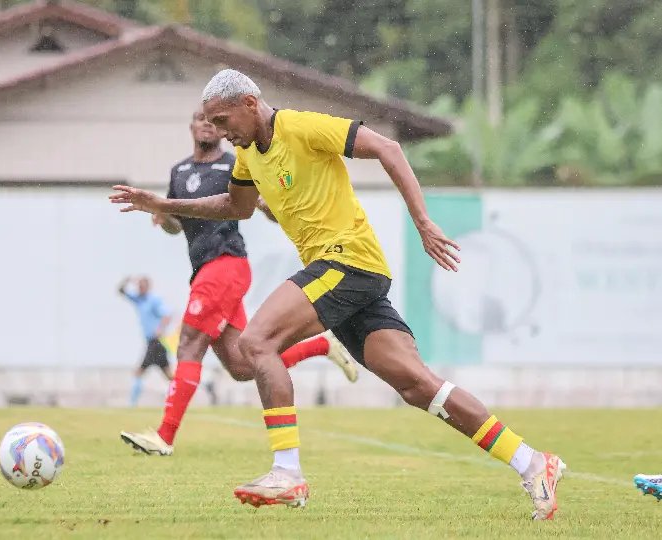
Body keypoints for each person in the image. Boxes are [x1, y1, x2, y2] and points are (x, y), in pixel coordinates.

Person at [109, 69, 567, 521]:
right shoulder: (248, 155)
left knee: (255, 342)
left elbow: (388, 148)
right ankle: (532, 463)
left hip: (347, 262)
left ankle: (287, 473)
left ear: (250, 104)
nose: (220, 133)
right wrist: (163, 204)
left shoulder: (303, 127)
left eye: (224, 121)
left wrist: (423, 220)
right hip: (350, 274)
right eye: (213, 123)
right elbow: (236, 207)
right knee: (418, 386)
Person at [118, 108, 358, 456]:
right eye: (200, 118)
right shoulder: (179, 171)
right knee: (243, 366)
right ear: (191, 126)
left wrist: (266, 203)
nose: (206, 124)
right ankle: (322, 346)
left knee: (188, 345)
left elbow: (267, 207)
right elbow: (174, 225)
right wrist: (161, 217)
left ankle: (164, 437)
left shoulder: (235, 164)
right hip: (204, 269)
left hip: (226, 264)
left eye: (212, 120)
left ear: (219, 128)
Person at [119, 275, 173, 407]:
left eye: (142, 286)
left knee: (139, 372)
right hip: (151, 342)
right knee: (169, 376)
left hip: (156, 341)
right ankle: (197, 389)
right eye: (138, 286)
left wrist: (160, 329)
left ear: (147, 286)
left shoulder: (154, 300)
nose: (139, 288)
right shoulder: (139, 300)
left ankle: (132, 404)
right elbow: (121, 291)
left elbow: (166, 315)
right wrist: (127, 280)